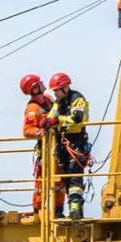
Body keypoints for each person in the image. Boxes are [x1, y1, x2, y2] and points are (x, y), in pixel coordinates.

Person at [49, 72, 90, 219]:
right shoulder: (59, 102)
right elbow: (51, 117)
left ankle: (75, 210)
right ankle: (72, 209)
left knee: (74, 178)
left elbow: (77, 118)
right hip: (63, 146)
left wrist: (56, 121)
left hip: (76, 143)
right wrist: (47, 122)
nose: (55, 93)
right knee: (66, 177)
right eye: (53, 91)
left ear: (65, 87)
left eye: (56, 90)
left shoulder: (77, 99)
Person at [20, 74, 56, 214]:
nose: (43, 83)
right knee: (42, 180)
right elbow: (27, 130)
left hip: (57, 147)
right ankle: (38, 208)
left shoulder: (48, 99)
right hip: (46, 149)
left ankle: (58, 210)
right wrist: (43, 133)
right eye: (39, 82)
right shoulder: (32, 109)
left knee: (59, 181)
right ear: (35, 88)